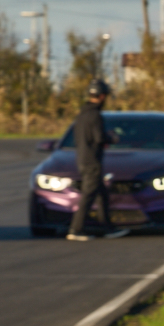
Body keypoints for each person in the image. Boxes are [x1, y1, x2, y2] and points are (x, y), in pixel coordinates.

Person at [67, 79, 125, 241]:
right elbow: (99, 138)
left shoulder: (82, 115)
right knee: (89, 195)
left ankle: (108, 228)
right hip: (93, 161)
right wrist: (112, 138)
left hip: (82, 158)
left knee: (102, 195)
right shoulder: (95, 116)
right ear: (101, 96)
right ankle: (76, 229)